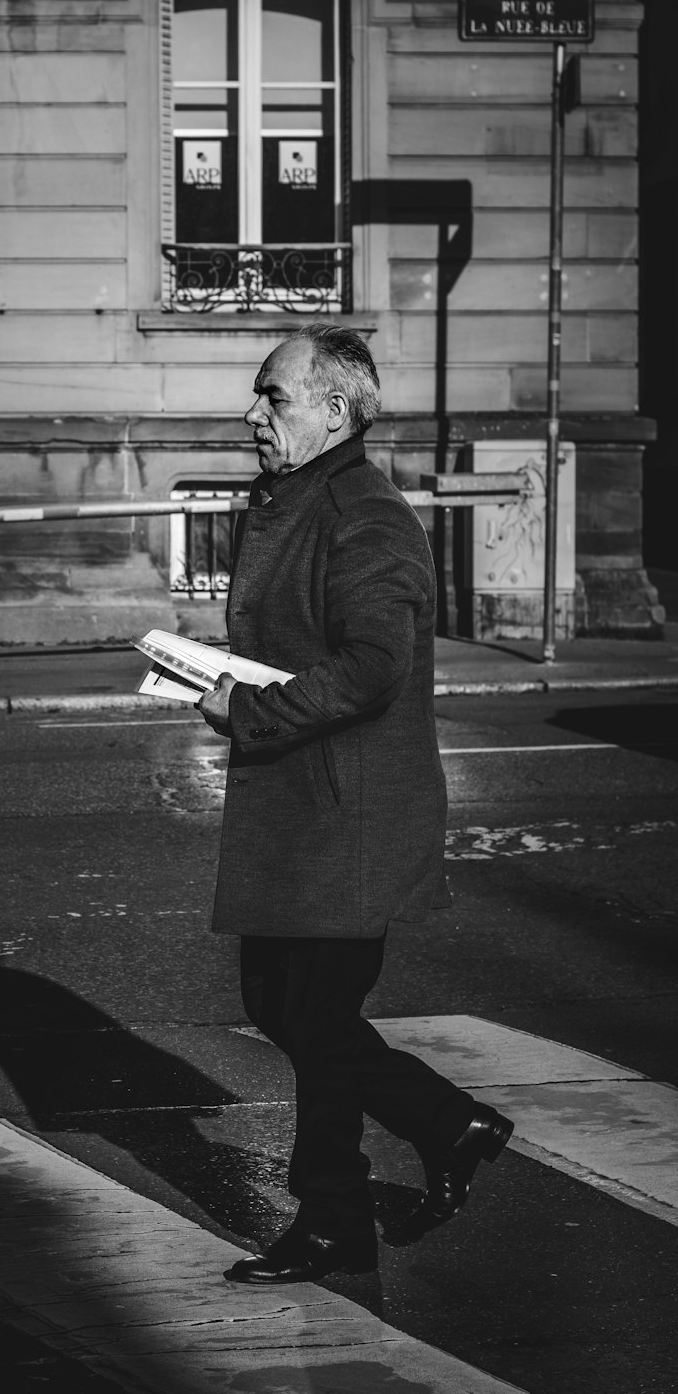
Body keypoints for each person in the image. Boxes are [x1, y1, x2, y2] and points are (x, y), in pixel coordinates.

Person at [196, 323, 513, 1285]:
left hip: (351, 819)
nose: (253, 414)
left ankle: (394, 1166)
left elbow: (374, 667)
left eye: (272, 397)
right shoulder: (297, 499)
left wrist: (250, 708)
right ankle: (410, 1155)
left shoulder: (365, 514)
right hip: (303, 812)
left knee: (317, 1018)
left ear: (336, 411)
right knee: (282, 1006)